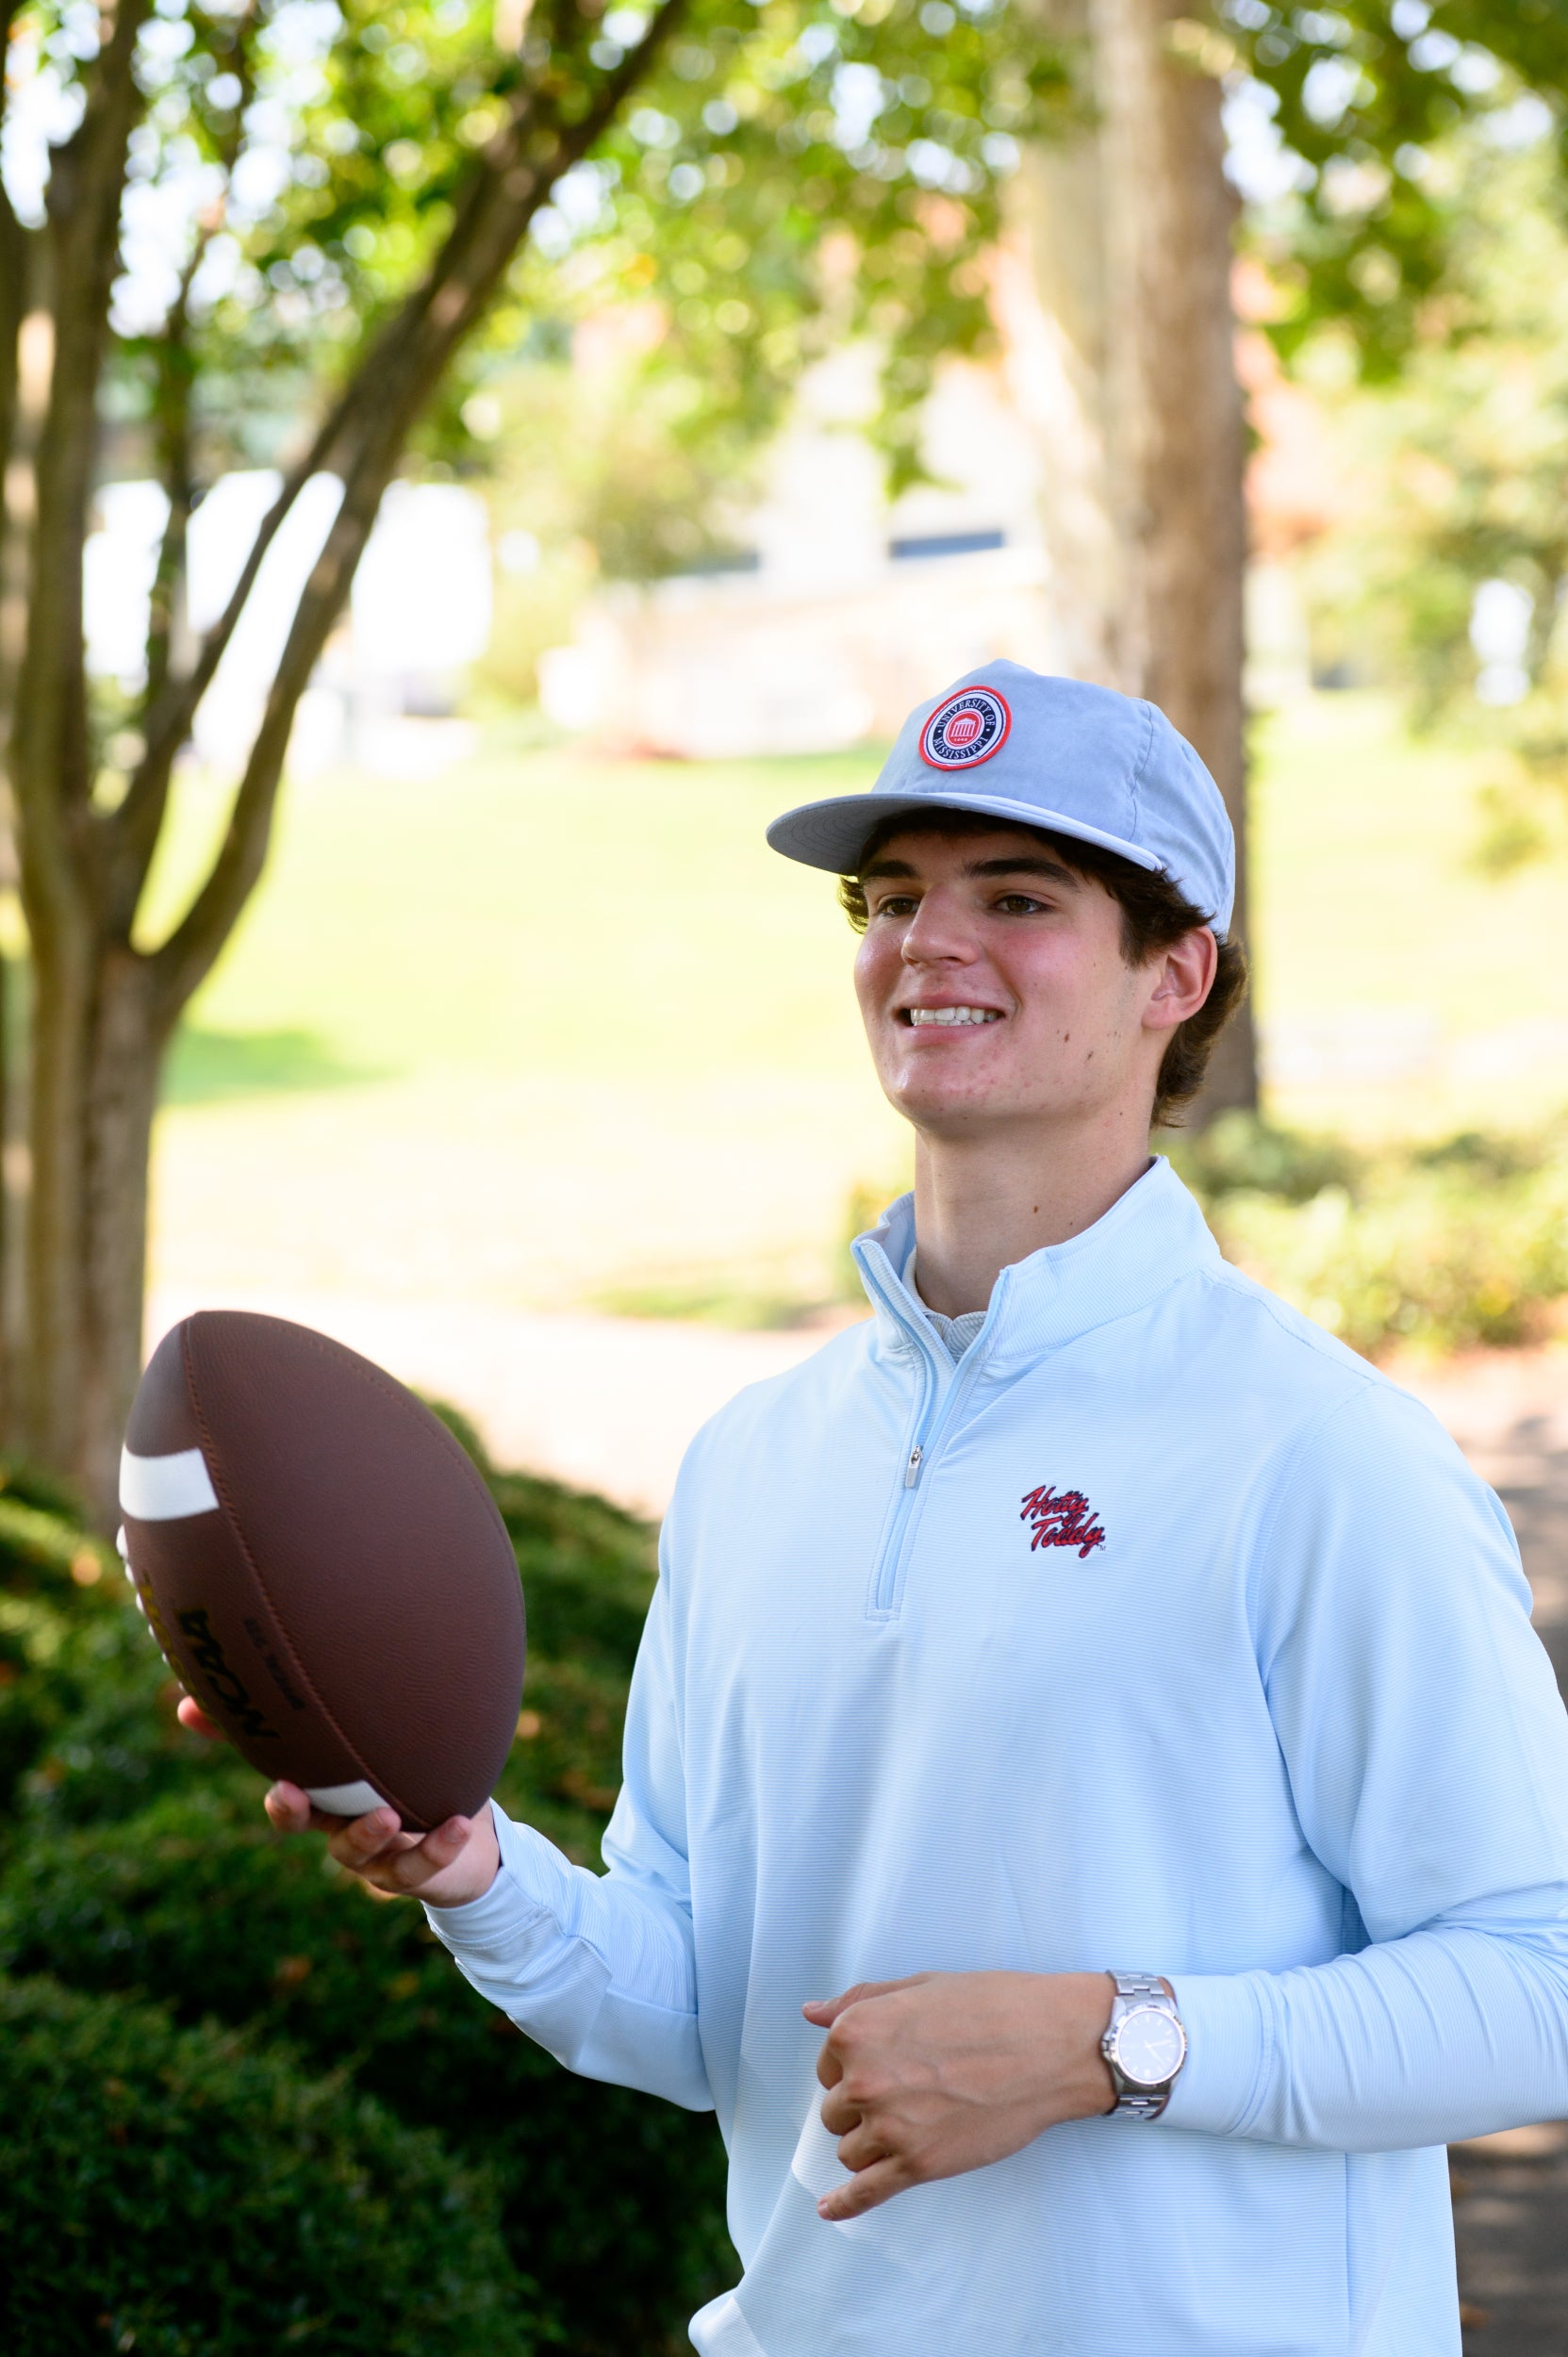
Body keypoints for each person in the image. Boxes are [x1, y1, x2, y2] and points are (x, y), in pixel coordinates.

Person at [186, 662, 1568, 2354]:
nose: (930, 940)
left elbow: (1536, 1985)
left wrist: (1110, 2042)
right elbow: (705, 2009)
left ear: (1175, 972)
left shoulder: (1321, 1456)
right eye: (893, 895)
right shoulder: (758, 1458)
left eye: (1019, 896)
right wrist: (474, 1874)